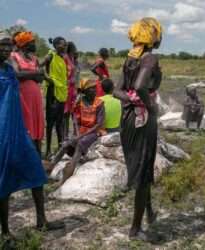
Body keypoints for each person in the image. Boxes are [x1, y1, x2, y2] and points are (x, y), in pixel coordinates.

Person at [0, 31, 64, 242]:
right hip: (3, 132)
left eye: (9, 45)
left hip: (17, 128)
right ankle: (6, 233)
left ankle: (42, 220)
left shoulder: (9, 68)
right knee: (4, 181)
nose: (7, 49)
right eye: (3, 45)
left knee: (36, 170)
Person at [114, 17, 162, 240]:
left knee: (142, 165)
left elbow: (117, 91)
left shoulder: (130, 59)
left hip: (128, 119)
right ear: (154, 37)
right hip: (142, 120)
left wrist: (133, 101)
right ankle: (135, 229)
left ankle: (149, 212)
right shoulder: (149, 58)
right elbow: (140, 86)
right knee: (143, 169)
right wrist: (150, 106)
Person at [47, 78, 106, 186]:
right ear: (85, 91)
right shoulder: (80, 102)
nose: (94, 90)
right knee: (66, 144)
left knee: (80, 144)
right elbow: (75, 120)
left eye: (94, 88)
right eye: (91, 88)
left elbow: (99, 124)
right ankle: (51, 167)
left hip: (94, 132)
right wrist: (77, 133)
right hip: (82, 130)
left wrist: (80, 136)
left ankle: (64, 178)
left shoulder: (99, 103)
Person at [10, 31, 45, 155]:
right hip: (23, 96)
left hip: (35, 96)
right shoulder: (14, 56)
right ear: (24, 44)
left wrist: (31, 75)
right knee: (26, 123)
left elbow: (41, 78)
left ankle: (37, 156)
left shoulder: (33, 58)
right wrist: (35, 73)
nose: (34, 44)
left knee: (37, 123)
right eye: (32, 42)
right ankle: (25, 156)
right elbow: (17, 74)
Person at [42, 37, 68, 159]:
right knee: (50, 123)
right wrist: (50, 81)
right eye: (62, 45)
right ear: (56, 45)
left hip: (61, 93)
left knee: (59, 123)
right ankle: (47, 150)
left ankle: (59, 148)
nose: (64, 47)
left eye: (65, 45)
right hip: (52, 92)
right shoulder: (50, 56)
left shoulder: (62, 58)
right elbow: (39, 67)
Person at [63, 42, 78, 140]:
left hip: (73, 88)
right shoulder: (65, 58)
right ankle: (65, 135)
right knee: (66, 112)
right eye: (74, 49)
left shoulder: (72, 59)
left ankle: (75, 134)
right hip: (66, 88)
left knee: (74, 111)